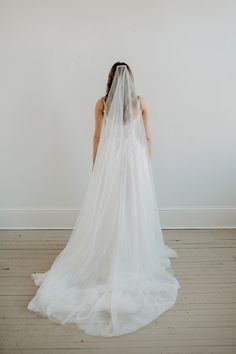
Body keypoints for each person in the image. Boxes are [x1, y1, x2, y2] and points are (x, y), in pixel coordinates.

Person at [27, 62, 181, 337]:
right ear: (131, 80)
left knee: (109, 206)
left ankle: (108, 250)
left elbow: (97, 136)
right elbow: (147, 135)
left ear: (110, 79)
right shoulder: (141, 102)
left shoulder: (101, 103)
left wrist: (96, 164)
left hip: (111, 158)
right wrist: (146, 163)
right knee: (134, 206)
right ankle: (130, 250)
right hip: (134, 157)